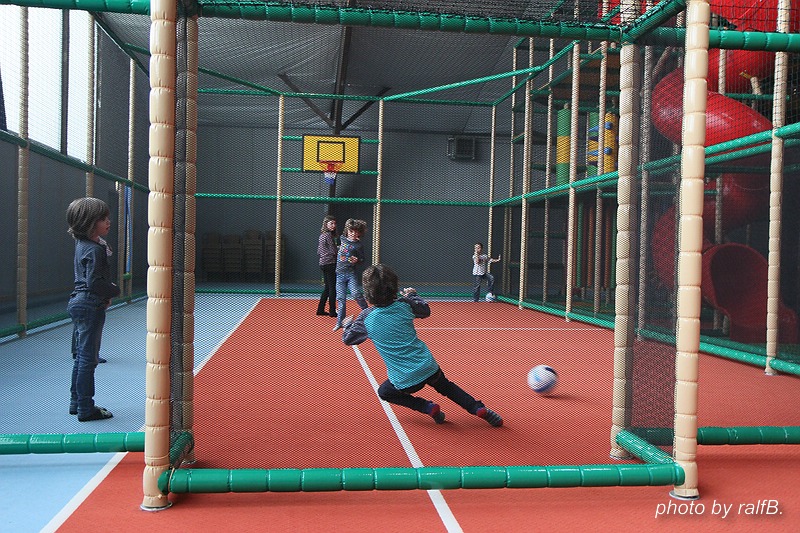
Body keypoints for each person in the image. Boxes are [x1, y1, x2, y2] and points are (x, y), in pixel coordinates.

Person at [342, 263, 503, 427]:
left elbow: (348, 339)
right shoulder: (405, 304)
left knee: (384, 392)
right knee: (446, 387)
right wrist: (413, 295)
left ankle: (427, 407)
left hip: (404, 379)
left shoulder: (366, 318)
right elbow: (425, 311)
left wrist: (347, 325)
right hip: (427, 366)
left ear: (368, 293)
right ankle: (477, 408)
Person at [66, 197, 120, 422]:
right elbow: (94, 282)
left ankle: (76, 402)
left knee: (82, 357)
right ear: (89, 223)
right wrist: (114, 291)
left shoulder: (83, 245)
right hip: (90, 304)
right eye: (102, 219)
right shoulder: (95, 250)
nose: (108, 222)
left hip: (79, 303)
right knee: (88, 359)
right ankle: (86, 408)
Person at [332, 218, 369, 331]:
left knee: (356, 293)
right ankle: (340, 322)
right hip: (339, 274)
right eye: (351, 231)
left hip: (350, 274)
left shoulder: (358, 245)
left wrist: (357, 260)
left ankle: (367, 312)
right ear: (347, 231)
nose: (353, 234)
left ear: (359, 233)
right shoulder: (342, 239)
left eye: (356, 232)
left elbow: (362, 259)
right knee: (341, 298)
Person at [316, 215, 338, 317]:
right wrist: (339, 249)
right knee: (332, 287)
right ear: (326, 224)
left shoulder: (322, 235)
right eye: (331, 223)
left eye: (334, 223)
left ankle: (320, 309)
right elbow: (333, 251)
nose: (333, 225)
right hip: (330, 263)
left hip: (323, 263)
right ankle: (332, 311)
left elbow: (319, 251)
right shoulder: (328, 235)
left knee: (327, 287)